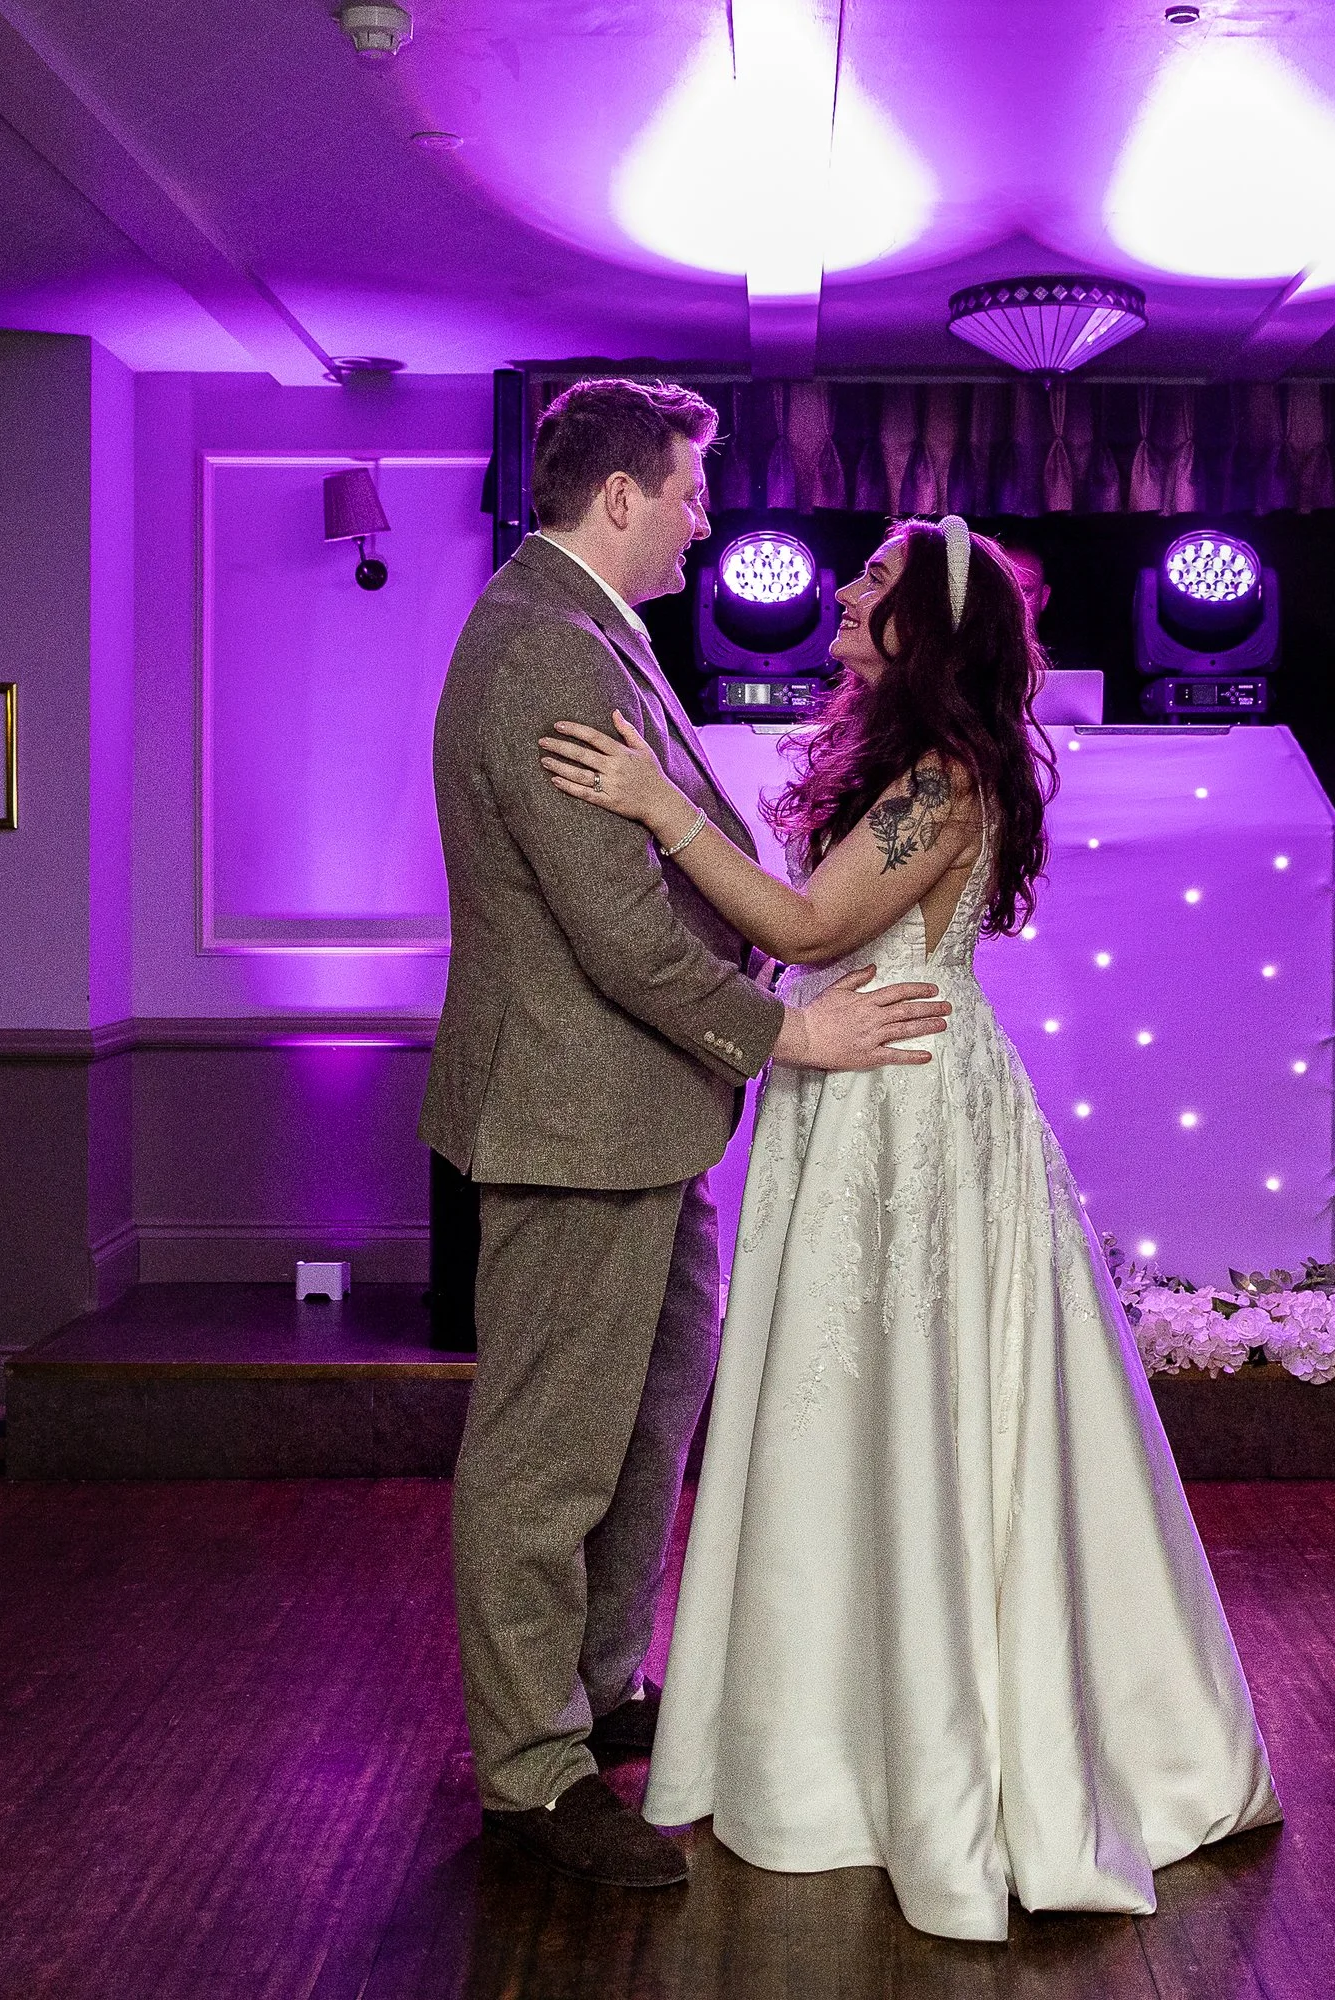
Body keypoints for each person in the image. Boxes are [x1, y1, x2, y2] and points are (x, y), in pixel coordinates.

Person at [537, 514, 1282, 1941]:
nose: (844, 591)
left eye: (873, 580)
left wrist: (650, 798)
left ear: (925, 630)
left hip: (910, 1118)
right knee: (854, 1412)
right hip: (863, 1094)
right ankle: (835, 1728)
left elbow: (813, 930)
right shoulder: (908, 766)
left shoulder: (942, 776)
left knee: (914, 1410)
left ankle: (910, 1750)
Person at [422, 379, 957, 1893]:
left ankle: (591, 1698)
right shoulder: (540, 649)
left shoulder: (590, 628)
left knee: (645, 1422)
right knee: (543, 1459)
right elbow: (612, 936)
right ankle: (531, 1784)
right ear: (619, 500)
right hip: (574, 1114)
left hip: (642, 1113)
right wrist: (791, 1029)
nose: (709, 520)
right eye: (690, 493)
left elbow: (674, 871)